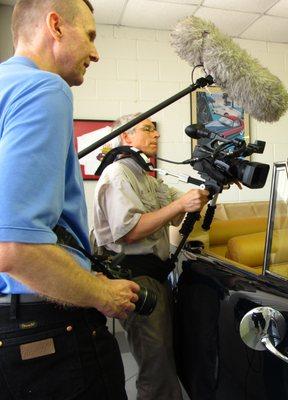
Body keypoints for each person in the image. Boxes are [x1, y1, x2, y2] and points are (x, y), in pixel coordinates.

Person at [0, 1, 140, 399]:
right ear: (56, 26)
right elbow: (14, 248)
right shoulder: (44, 87)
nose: (96, 53)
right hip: (44, 330)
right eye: (91, 36)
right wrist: (102, 295)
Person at [92, 113, 210, 400]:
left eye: (156, 130)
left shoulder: (145, 177)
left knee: (163, 359)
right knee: (155, 367)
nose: (156, 135)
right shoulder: (118, 175)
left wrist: (211, 187)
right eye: (147, 129)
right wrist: (181, 203)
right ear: (126, 137)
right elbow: (129, 232)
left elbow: (175, 212)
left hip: (155, 276)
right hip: (134, 279)